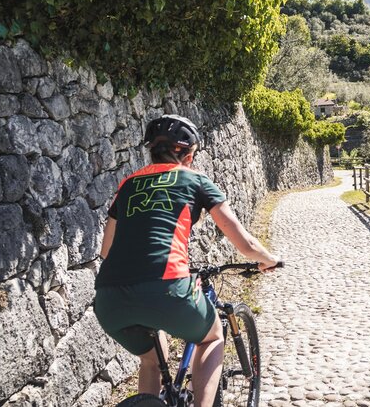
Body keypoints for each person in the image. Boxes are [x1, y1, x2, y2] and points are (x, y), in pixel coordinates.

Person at [94, 114, 280, 407]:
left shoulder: (128, 184)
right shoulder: (195, 180)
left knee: (152, 360)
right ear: (189, 155)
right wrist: (268, 258)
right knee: (213, 337)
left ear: (152, 151)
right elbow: (244, 243)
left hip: (108, 298)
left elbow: (106, 251)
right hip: (167, 286)